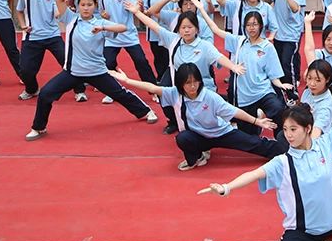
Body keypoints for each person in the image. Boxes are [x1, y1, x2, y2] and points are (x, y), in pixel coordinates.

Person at [197, 66, 332, 241]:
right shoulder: (283, 162)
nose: (288, 135)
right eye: (285, 129)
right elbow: (254, 174)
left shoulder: (326, 144)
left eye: (293, 129)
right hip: (305, 231)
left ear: (307, 128)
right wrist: (226, 187)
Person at [25, 0, 157, 140]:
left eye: (89, 4)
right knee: (46, 93)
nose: (86, 8)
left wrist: (103, 28)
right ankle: (39, 127)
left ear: (95, 6)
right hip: (72, 72)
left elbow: (123, 28)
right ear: (78, 6)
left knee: (120, 93)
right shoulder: (71, 19)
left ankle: (146, 111)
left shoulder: (100, 23)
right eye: (83, 5)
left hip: (97, 72)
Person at [111, 62, 285, 170]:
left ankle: (285, 151)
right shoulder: (175, 94)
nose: (192, 86)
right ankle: (199, 156)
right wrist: (127, 81)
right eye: (188, 83)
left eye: (195, 82)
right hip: (199, 136)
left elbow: (234, 111)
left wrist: (257, 121)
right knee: (183, 138)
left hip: (222, 132)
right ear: (181, 84)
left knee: (255, 144)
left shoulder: (209, 96)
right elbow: (152, 87)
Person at [123, 0, 245, 134]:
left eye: (190, 27)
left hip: (202, 86)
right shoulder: (173, 40)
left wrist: (233, 67)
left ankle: (239, 115)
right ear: (178, 29)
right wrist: (136, 12)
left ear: (197, 29)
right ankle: (174, 121)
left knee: (214, 112)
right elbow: (154, 25)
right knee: (164, 91)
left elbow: (219, 57)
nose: (186, 30)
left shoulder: (204, 46)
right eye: (183, 27)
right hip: (180, 86)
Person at [193, 0, 293, 138]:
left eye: (255, 24)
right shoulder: (239, 41)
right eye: (248, 25)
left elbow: (273, 74)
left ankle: (280, 139)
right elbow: (215, 29)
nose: (251, 28)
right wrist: (201, 9)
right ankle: (257, 120)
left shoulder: (268, 47)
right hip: (244, 97)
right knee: (248, 136)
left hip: (263, 91)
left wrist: (281, 84)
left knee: (278, 109)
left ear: (261, 26)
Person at [16, 0, 87, 102]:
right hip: (32, 36)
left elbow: (58, 12)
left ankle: (79, 91)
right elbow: (19, 10)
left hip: (53, 35)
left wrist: (62, 12)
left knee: (69, 62)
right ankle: (32, 90)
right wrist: (23, 25)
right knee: (25, 70)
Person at [99, 0, 158, 103]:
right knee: (107, 63)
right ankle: (112, 91)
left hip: (128, 35)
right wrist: (103, 16)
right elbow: (102, 12)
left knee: (141, 61)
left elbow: (136, 9)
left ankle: (154, 90)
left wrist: (136, 8)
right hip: (112, 37)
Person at [264, 0, 308, 99]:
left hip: (292, 34)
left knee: (287, 64)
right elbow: (266, 2)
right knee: (278, 65)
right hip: (278, 34)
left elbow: (295, 8)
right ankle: (281, 92)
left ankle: (293, 94)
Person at [141, 0, 179, 82]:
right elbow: (145, 10)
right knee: (158, 57)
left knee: (168, 56)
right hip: (154, 32)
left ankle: (169, 79)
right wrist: (144, 11)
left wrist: (163, 14)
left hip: (169, 31)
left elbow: (177, 10)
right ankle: (161, 79)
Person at [300, 59, 332, 137]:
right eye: (309, 78)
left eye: (317, 80)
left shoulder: (325, 106)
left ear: (327, 80)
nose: (312, 84)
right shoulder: (307, 91)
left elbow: (316, 132)